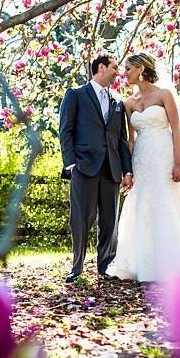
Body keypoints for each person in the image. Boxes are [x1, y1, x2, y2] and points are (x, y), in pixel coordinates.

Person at [105, 52, 180, 282]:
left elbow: (176, 129)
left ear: (141, 69)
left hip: (164, 155)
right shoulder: (128, 103)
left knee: (168, 202)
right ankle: (141, 264)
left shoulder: (164, 95)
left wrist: (178, 162)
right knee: (143, 204)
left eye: (128, 69)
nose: (124, 73)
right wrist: (128, 170)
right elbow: (130, 139)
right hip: (141, 158)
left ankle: (179, 262)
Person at [58, 54, 133, 283]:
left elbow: (121, 140)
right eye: (114, 67)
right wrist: (71, 164)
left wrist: (127, 170)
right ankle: (77, 267)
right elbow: (65, 130)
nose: (117, 72)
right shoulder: (76, 95)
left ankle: (105, 267)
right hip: (84, 166)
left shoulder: (117, 103)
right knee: (81, 218)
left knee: (109, 222)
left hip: (111, 168)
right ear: (101, 68)